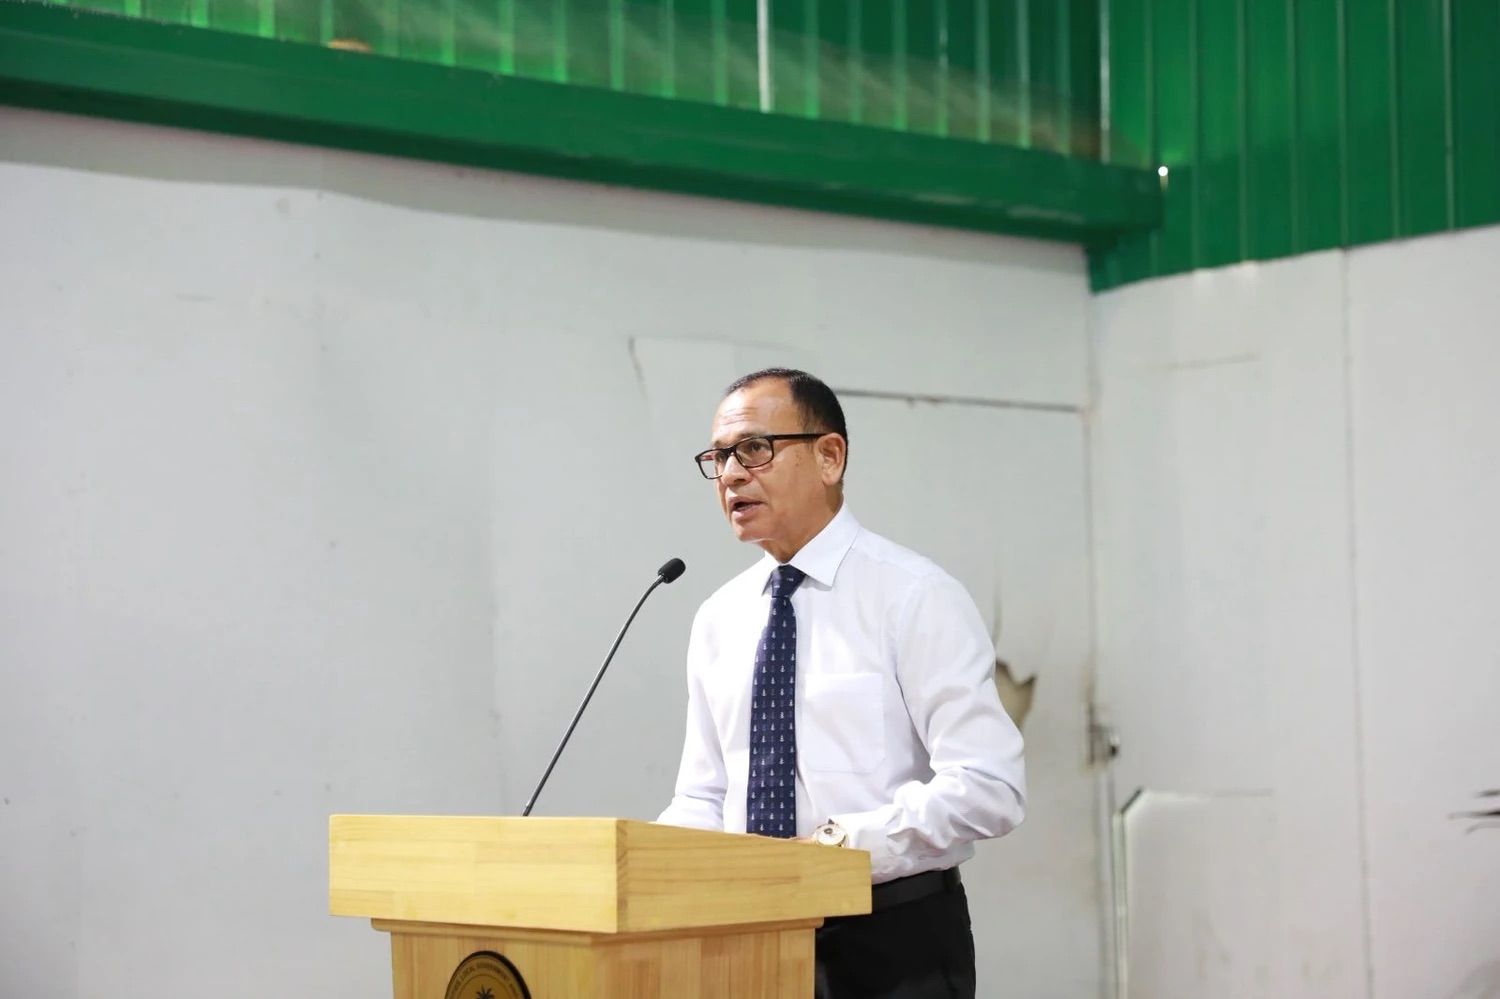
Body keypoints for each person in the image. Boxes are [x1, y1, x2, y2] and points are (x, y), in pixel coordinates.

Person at [658, 368, 1026, 998]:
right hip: (750, 938)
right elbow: (704, 795)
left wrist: (837, 847)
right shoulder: (719, 617)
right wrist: (640, 867)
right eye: (719, 458)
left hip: (891, 940)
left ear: (829, 456)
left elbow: (989, 786)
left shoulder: (914, 596)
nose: (731, 475)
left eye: (754, 449)